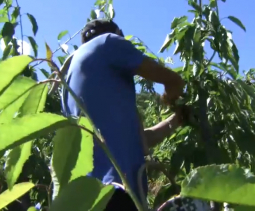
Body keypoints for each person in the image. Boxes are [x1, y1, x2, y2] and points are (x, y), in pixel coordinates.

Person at [60, 19, 186, 210]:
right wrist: (174, 90)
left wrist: (176, 120)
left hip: (85, 196)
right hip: (116, 189)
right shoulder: (107, 42)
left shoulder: (69, 83)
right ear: (118, 32)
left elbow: (141, 138)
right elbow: (169, 78)